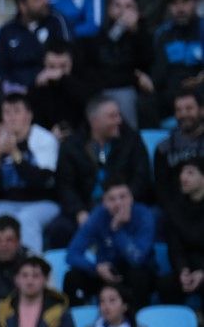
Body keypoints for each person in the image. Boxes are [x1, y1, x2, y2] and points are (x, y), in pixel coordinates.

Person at [53, 96, 155, 244]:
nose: (119, 120)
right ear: (94, 121)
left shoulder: (132, 140)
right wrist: (79, 211)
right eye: (112, 116)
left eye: (118, 115)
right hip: (87, 206)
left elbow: (141, 176)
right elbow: (65, 186)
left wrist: (125, 201)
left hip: (127, 204)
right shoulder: (71, 146)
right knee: (59, 229)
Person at [0, 94, 60, 253]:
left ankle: (31, 269)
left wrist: (14, 153)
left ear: (29, 115)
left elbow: (42, 181)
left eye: (16, 112)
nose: (12, 117)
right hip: (7, 203)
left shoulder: (44, 139)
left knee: (26, 219)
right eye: (7, 112)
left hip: (43, 202)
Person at [64, 179, 157, 306]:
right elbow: (71, 254)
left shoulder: (143, 215)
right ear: (104, 202)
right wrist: (96, 269)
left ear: (131, 198)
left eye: (123, 197)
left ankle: (136, 321)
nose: (118, 203)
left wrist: (117, 230)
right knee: (72, 277)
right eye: (112, 199)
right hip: (106, 272)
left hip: (137, 272)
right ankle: (75, 321)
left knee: (138, 275)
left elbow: (138, 258)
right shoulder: (98, 216)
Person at [85, 0, 154, 132]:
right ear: (109, 10)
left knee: (125, 95)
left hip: (129, 90)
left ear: (137, 12)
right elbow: (98, 64)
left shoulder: (144, 35)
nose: (123, 11)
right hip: (102, 88)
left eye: (129, 6)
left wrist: (135, 31)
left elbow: (148, 62)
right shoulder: (98, 36)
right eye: (117, 6)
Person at [0, 0, 73, 96]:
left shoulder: (57, 21)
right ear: (22, 6)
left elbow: (67, 56)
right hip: (17, 93)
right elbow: (1, 70)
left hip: (51, 89)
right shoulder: (7, 30)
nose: (45, 1)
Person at [159, 157, 204, 313]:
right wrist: (182, 270)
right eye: (182, 172)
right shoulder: (175, 209)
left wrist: (202, 273)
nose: (183, 177)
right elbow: (175, 247)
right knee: (166, 284)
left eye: (190, 173)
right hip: (187, 267)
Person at [27, 41, 95, 139]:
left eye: (63, 66)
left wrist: (64, 79)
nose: (57, 72)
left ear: (72, 63)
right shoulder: (37, 87)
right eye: (52, 66)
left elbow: (92, 103)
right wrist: (49, 135)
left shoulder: (85, 79)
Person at [153, 0, 204, 117]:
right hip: (172, 89)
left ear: (195, 3)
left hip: (200, 86)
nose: (180, 8)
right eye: (175, 3)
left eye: (185, 2)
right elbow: (159, 72)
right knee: (147, 101)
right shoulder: (163, 33)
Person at [154, 90, 204, 208]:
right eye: (179, 110)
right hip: (176, 209)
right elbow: (162, 189)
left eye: (189, 108)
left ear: (201, 110)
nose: (184, 114)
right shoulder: (163, 148)